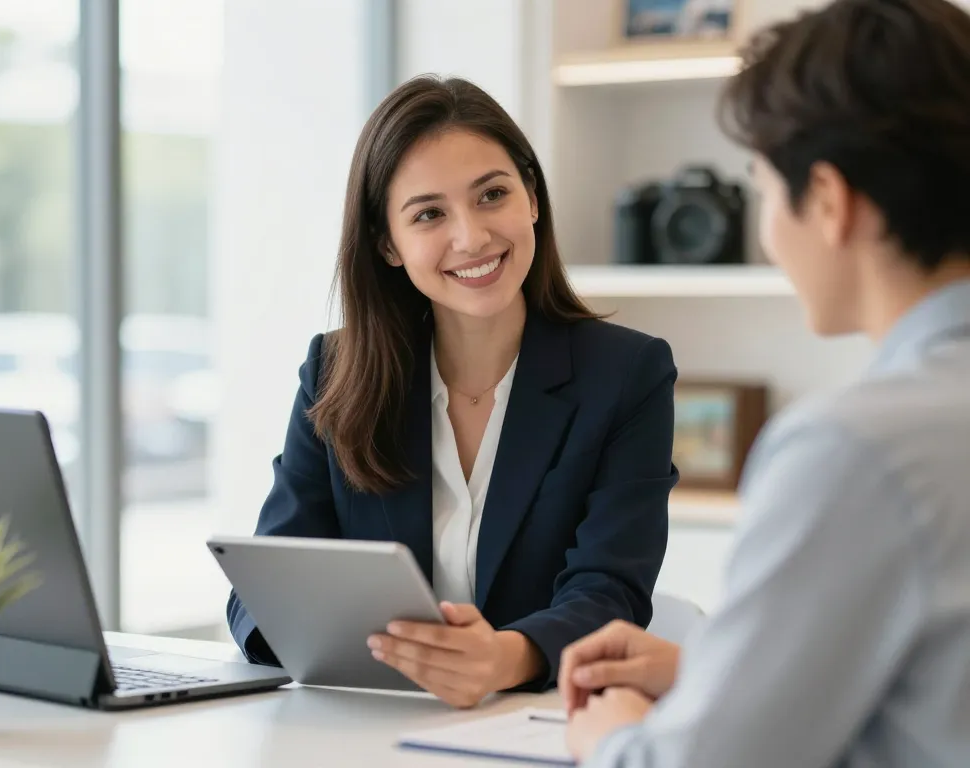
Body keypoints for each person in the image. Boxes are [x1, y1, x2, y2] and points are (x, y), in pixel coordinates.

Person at [559, 0, 970, 765]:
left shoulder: (853, 449)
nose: (768, 235)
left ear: (828, 201)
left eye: (764, 190)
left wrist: (607, 736)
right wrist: (716, 672)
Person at [226, 75, 679, 708]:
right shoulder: (335, 371)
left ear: (532, 200)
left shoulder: (627, 373)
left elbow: (611, 593)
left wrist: (503, 658)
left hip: (535, 721)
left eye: (492, 195)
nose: (471, 237)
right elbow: (261, 589)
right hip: (364, 719)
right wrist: (323, 640)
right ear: (388, 243)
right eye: (429, 214)